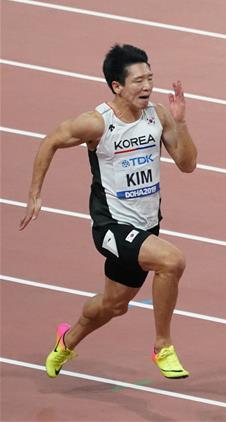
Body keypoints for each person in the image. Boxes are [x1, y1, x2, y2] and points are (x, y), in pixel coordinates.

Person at [20, 44, 198, 380]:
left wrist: (181, 122)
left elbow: (188, 164)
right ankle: (163, 346)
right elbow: (51, 141)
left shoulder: (157, 116)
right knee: (172, 261)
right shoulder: (97, 123)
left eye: (150, 78)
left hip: (146, 227)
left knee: (113, 305)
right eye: (138, 81)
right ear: (117, 86)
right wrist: (34, 195)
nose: (147, 86)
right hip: (111, 227)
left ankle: (67, 340)